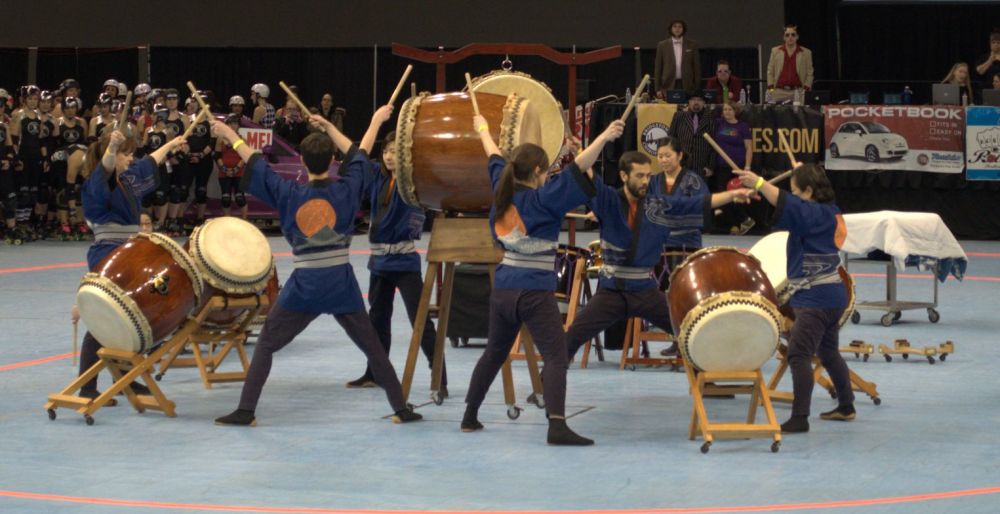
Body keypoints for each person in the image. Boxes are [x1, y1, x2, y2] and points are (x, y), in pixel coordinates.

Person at [211, 112, 422, 427]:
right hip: (341, 285)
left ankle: (246, 411)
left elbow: (254, 160)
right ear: (332, 159)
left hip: (304, 287)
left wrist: (229, 134)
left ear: (303, 162)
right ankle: (401, 409)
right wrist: (373, 121)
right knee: (374, 348)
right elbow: (359, 154)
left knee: (267, 343)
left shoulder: (288, 192)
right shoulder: (346, 190)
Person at [461, 114, 625, 446]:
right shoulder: (545, 199)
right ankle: (557, 425)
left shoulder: (501, 188)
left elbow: (492, 153)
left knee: (494, 352)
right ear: (537, 172)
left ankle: (469, 415)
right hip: (534, 289)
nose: (549, 174)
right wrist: (605, 136)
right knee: (555, 355)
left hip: (504, 286)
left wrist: (481, 128)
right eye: (546, 170)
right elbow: (579, 167)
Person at [565, 151, 750, 362]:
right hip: (612, 290)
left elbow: (698, 203)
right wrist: (587, 148)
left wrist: (732, 195)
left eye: (648, 176)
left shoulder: (658, 206)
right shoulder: (609, 201)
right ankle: (546, 385)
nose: (646, 181)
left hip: (645, 290)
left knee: (692, 329)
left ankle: (710, 381)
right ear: (624, 176)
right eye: (639, 176)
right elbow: (585, 172)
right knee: (572, 337)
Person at [733, 163, 855, 433]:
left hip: (816, 298)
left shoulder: (814, 213)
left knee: (798, 354)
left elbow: (789, 205)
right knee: (828, 351)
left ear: (809, 192)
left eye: (797, 191)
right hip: (831, 294)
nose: (793, 197)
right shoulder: (829, 211)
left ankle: (800, 417)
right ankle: (846, 405)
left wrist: (759, 183)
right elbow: (790, 207)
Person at [74, 126, 187, 401]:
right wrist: (112, 149)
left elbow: (151, 162)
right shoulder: (98, 181)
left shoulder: (127, 178)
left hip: (129, 252)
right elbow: (108, 166)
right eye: (127, 155)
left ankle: (125, 379)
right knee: (105, 318)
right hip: (108, 254)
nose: (131, 160)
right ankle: (87, 386)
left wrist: (172, 142)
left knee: (133, 315)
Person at [343, 106, 446, 392]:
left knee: (421, 322)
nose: (389, 156)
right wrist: (371, 122)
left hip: (404, 262)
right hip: (379, 263)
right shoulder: (376, 175)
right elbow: (355, 155)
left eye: (395, 151)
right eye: (386, 151)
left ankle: (439, 376)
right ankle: (374, 372)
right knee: (377, 320)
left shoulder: (414, 180)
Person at [712, 102, 755, 235]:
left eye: (730, 109)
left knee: (738, 196)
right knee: (724, 195)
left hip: (738, 167)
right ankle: (735, 225)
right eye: (725, 109)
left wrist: (747, 167)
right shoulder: (719, 124)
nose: (727, 112)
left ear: (735, 111)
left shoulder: (742, 127)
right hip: (722, 166)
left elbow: (749, 148)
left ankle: (743, 220)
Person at [667, 91, 715, 177]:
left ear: (704, 102)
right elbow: (671, 139)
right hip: (681, 163)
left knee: (700, 190)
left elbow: (714, 145)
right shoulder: (679, 116)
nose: (696, 102)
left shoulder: (711, 118)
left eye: (699, 100)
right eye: (693, 99)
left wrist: (710, 166)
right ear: (689, 102)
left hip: (701, 166)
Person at [766, 24, 814, 104]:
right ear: (784, 37)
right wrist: (771, 89)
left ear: (797, 37)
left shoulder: (806, 53)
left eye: (793, 35)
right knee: (777, 115)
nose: (790, 37)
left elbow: (810, 73)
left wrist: (806, 89)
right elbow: (770, 71)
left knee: (800, 115)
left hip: (798, 91)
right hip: (779, 91)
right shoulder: (775, 51)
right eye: (787, 35)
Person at [654, 20, 701, 97]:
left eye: (680, 27)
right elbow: (658, 68)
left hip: (687, 84)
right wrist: (657, 89)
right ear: (671, 29)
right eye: (675, 26)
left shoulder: (692, 45)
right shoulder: (662, 45)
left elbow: (696, 67)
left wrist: (697, 87)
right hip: (668, 84)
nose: (677, 29)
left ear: (683, 29)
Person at [214, 114, 248, 219]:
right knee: (226, 198)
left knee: (240, 198)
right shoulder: (220, 139)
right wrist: (224, 169)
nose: (232, 126)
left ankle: (245, 220)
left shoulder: (242, 139)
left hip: (239, 172)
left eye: (235, 123)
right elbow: (217, 156)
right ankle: (228, 221)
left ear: (238, 125)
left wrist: (236, 169)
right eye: (230, 123)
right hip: (224, 172)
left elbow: (244, 156)